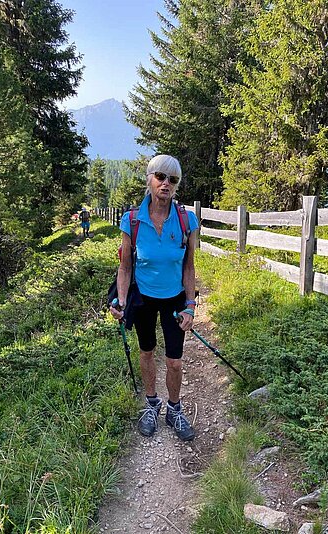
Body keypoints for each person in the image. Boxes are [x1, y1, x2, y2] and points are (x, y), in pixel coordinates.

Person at [110, 155, 199, 441]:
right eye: (160, 176)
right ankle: (151, 405)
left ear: (176, 185)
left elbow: (189, 266)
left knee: (174, 361)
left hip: (174, 298)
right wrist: (121, 300)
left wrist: (190, 305)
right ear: (149, 179)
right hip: (144, 299)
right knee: (146, 352)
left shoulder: (187, 220)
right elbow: (125, 266)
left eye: (172, 179)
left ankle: (174, 409)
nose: (166, 183)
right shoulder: (132, 220)